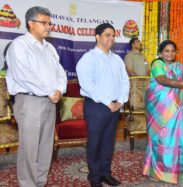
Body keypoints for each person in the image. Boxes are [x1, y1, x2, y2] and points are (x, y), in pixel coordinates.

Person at [5, 6, 67, 187]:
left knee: (46, 146)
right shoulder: (19, 45)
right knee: (29, 148)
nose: (49, 26)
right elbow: (25, 75)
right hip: (29, 101)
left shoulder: (49, 48)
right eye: (44, 23)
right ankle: (28, 184)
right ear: (31, 24)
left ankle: (40, 182)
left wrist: (59, 90)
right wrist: (51, 91)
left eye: (50, 23)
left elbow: (60, 72)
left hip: (50, 102)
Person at [76, 23, 129, 187]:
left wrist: (120, 101)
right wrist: (109, 102)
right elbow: (88, 85)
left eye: (113, 35)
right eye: (107, 35)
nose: (111, 38)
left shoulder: (117, 59)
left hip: (114, 106)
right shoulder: (88, 58)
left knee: (108, 142)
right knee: (95, 142)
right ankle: (94, 177)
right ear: (97, 37)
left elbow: (125, 81)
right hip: (96, 106)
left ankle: (106, 174)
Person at [143, 40, 183, 184]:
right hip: (160, 108)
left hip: (176, 109)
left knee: (175, 140)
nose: (170, 54)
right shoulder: (157, 64)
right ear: (161, 52)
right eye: (166, 51)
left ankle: (174, 171)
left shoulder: (179, 66)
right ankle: (155, 171)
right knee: (160, 139)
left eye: (172, 51)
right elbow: (162, 80)